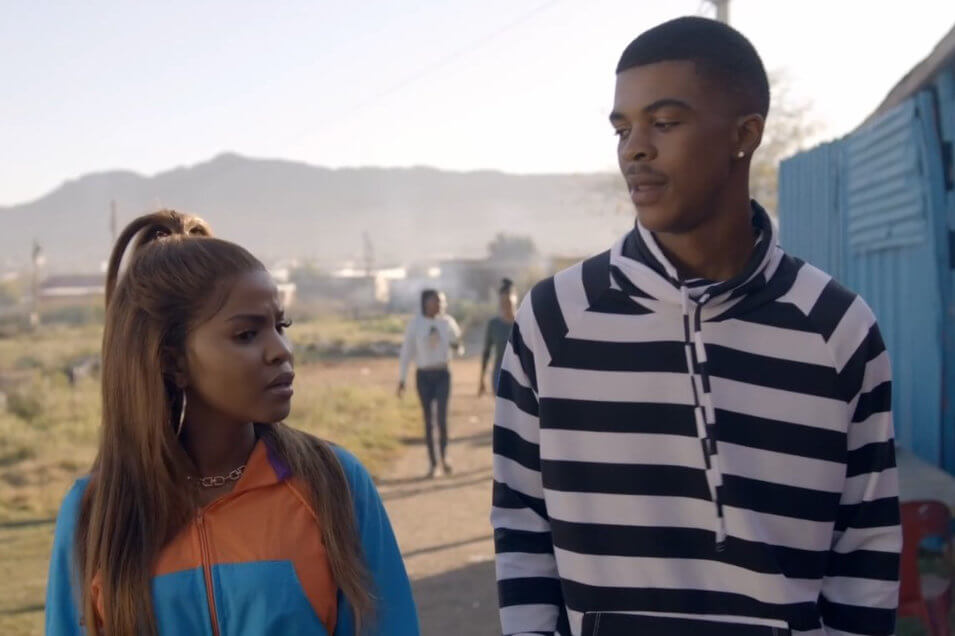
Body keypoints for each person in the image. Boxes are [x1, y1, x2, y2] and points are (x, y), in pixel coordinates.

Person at [491, 17, 900, 636]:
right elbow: (522, 524)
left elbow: (865, 550)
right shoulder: (554, 322)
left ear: (745, 133)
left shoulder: (837, 328)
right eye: (623, 128)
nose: (634, 149)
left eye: (664, 122)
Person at [45, 210, 420, 636]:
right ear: (172, 361)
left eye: (281, 326)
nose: (281, 351)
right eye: (246, 334)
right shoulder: (94, 513)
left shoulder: (333, 483)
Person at [397, 289, 463, 478]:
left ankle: (444, 457)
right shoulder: (415, 324)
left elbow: (459, 347)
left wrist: (456, 346)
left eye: (443, 302)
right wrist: (401, 379)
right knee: (428, 420)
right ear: (426, 302)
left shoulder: (448, 322)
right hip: (424, 376)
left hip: (443, 373)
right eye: (437, 302)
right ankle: (433, 464)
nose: (441, 305)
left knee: (441, 419)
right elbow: (406, 353)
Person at [479, 278, 517, 397]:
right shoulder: (493, 324)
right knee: (502, 407)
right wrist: (481, 378)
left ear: (515, 300)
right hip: (500, 370)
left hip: (521, 371)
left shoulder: (523, 321)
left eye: (508, 302)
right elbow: (486, 352)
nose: (506, 306)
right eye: (503, 303)